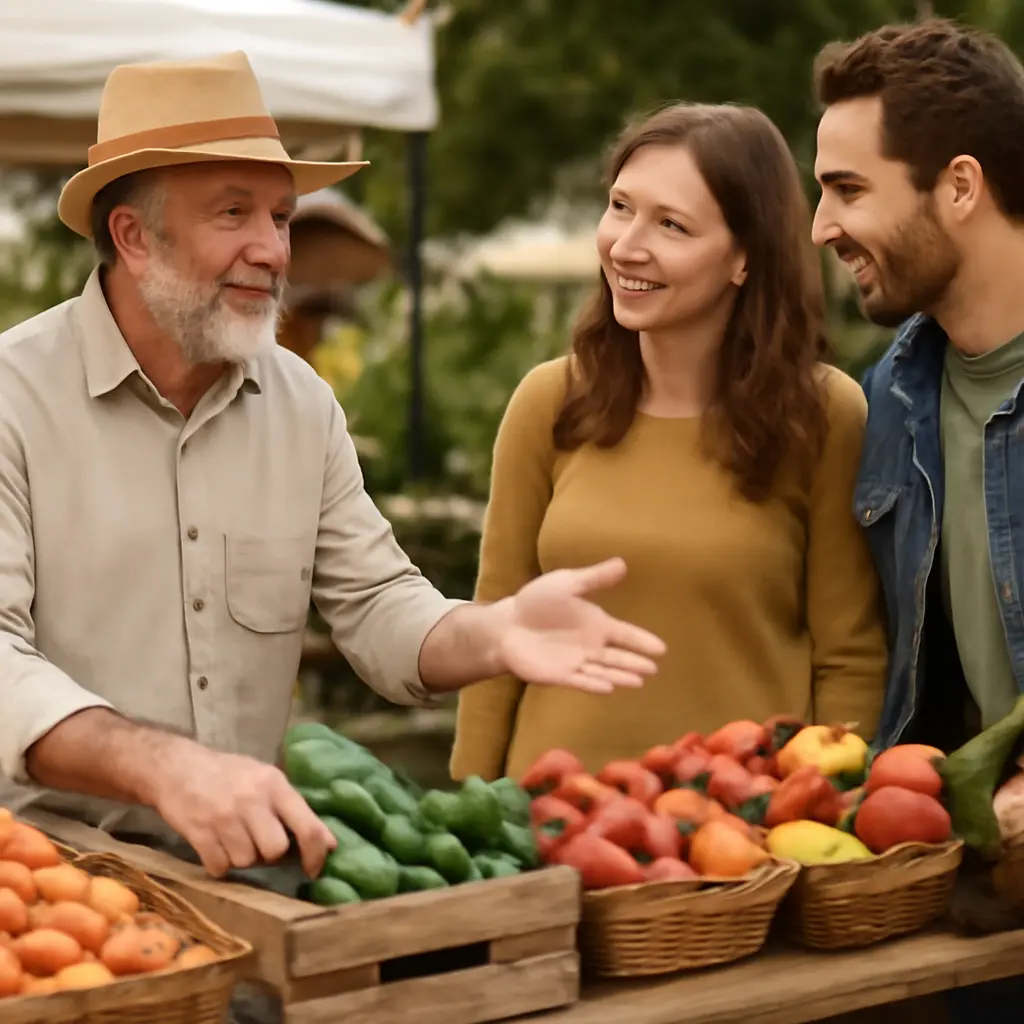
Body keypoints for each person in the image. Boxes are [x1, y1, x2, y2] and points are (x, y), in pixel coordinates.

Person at [0, 50, 668, 885]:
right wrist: (165, 768)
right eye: (233, 213)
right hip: (47, 886)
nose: (273, 249)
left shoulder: (301, 403)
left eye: (280, 216)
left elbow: (380, 605)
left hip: (252, 877)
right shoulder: (13, 399)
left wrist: (488, 633)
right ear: (134, 237)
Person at [450, 102, 888, 782]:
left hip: (738, 839)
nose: (626, 245)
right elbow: (497, 629)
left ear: (745, 258)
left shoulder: (826, 415)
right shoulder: (548, 403)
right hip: (550, 823)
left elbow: (850, 657)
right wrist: (468, 817)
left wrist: (827, 814)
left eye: (672, 225)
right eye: (621, 207)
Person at [811, 16, 1024, 1020]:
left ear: (960, 187)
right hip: (976, 906)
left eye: (848, 189)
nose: (820, 225)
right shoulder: (887, 399)